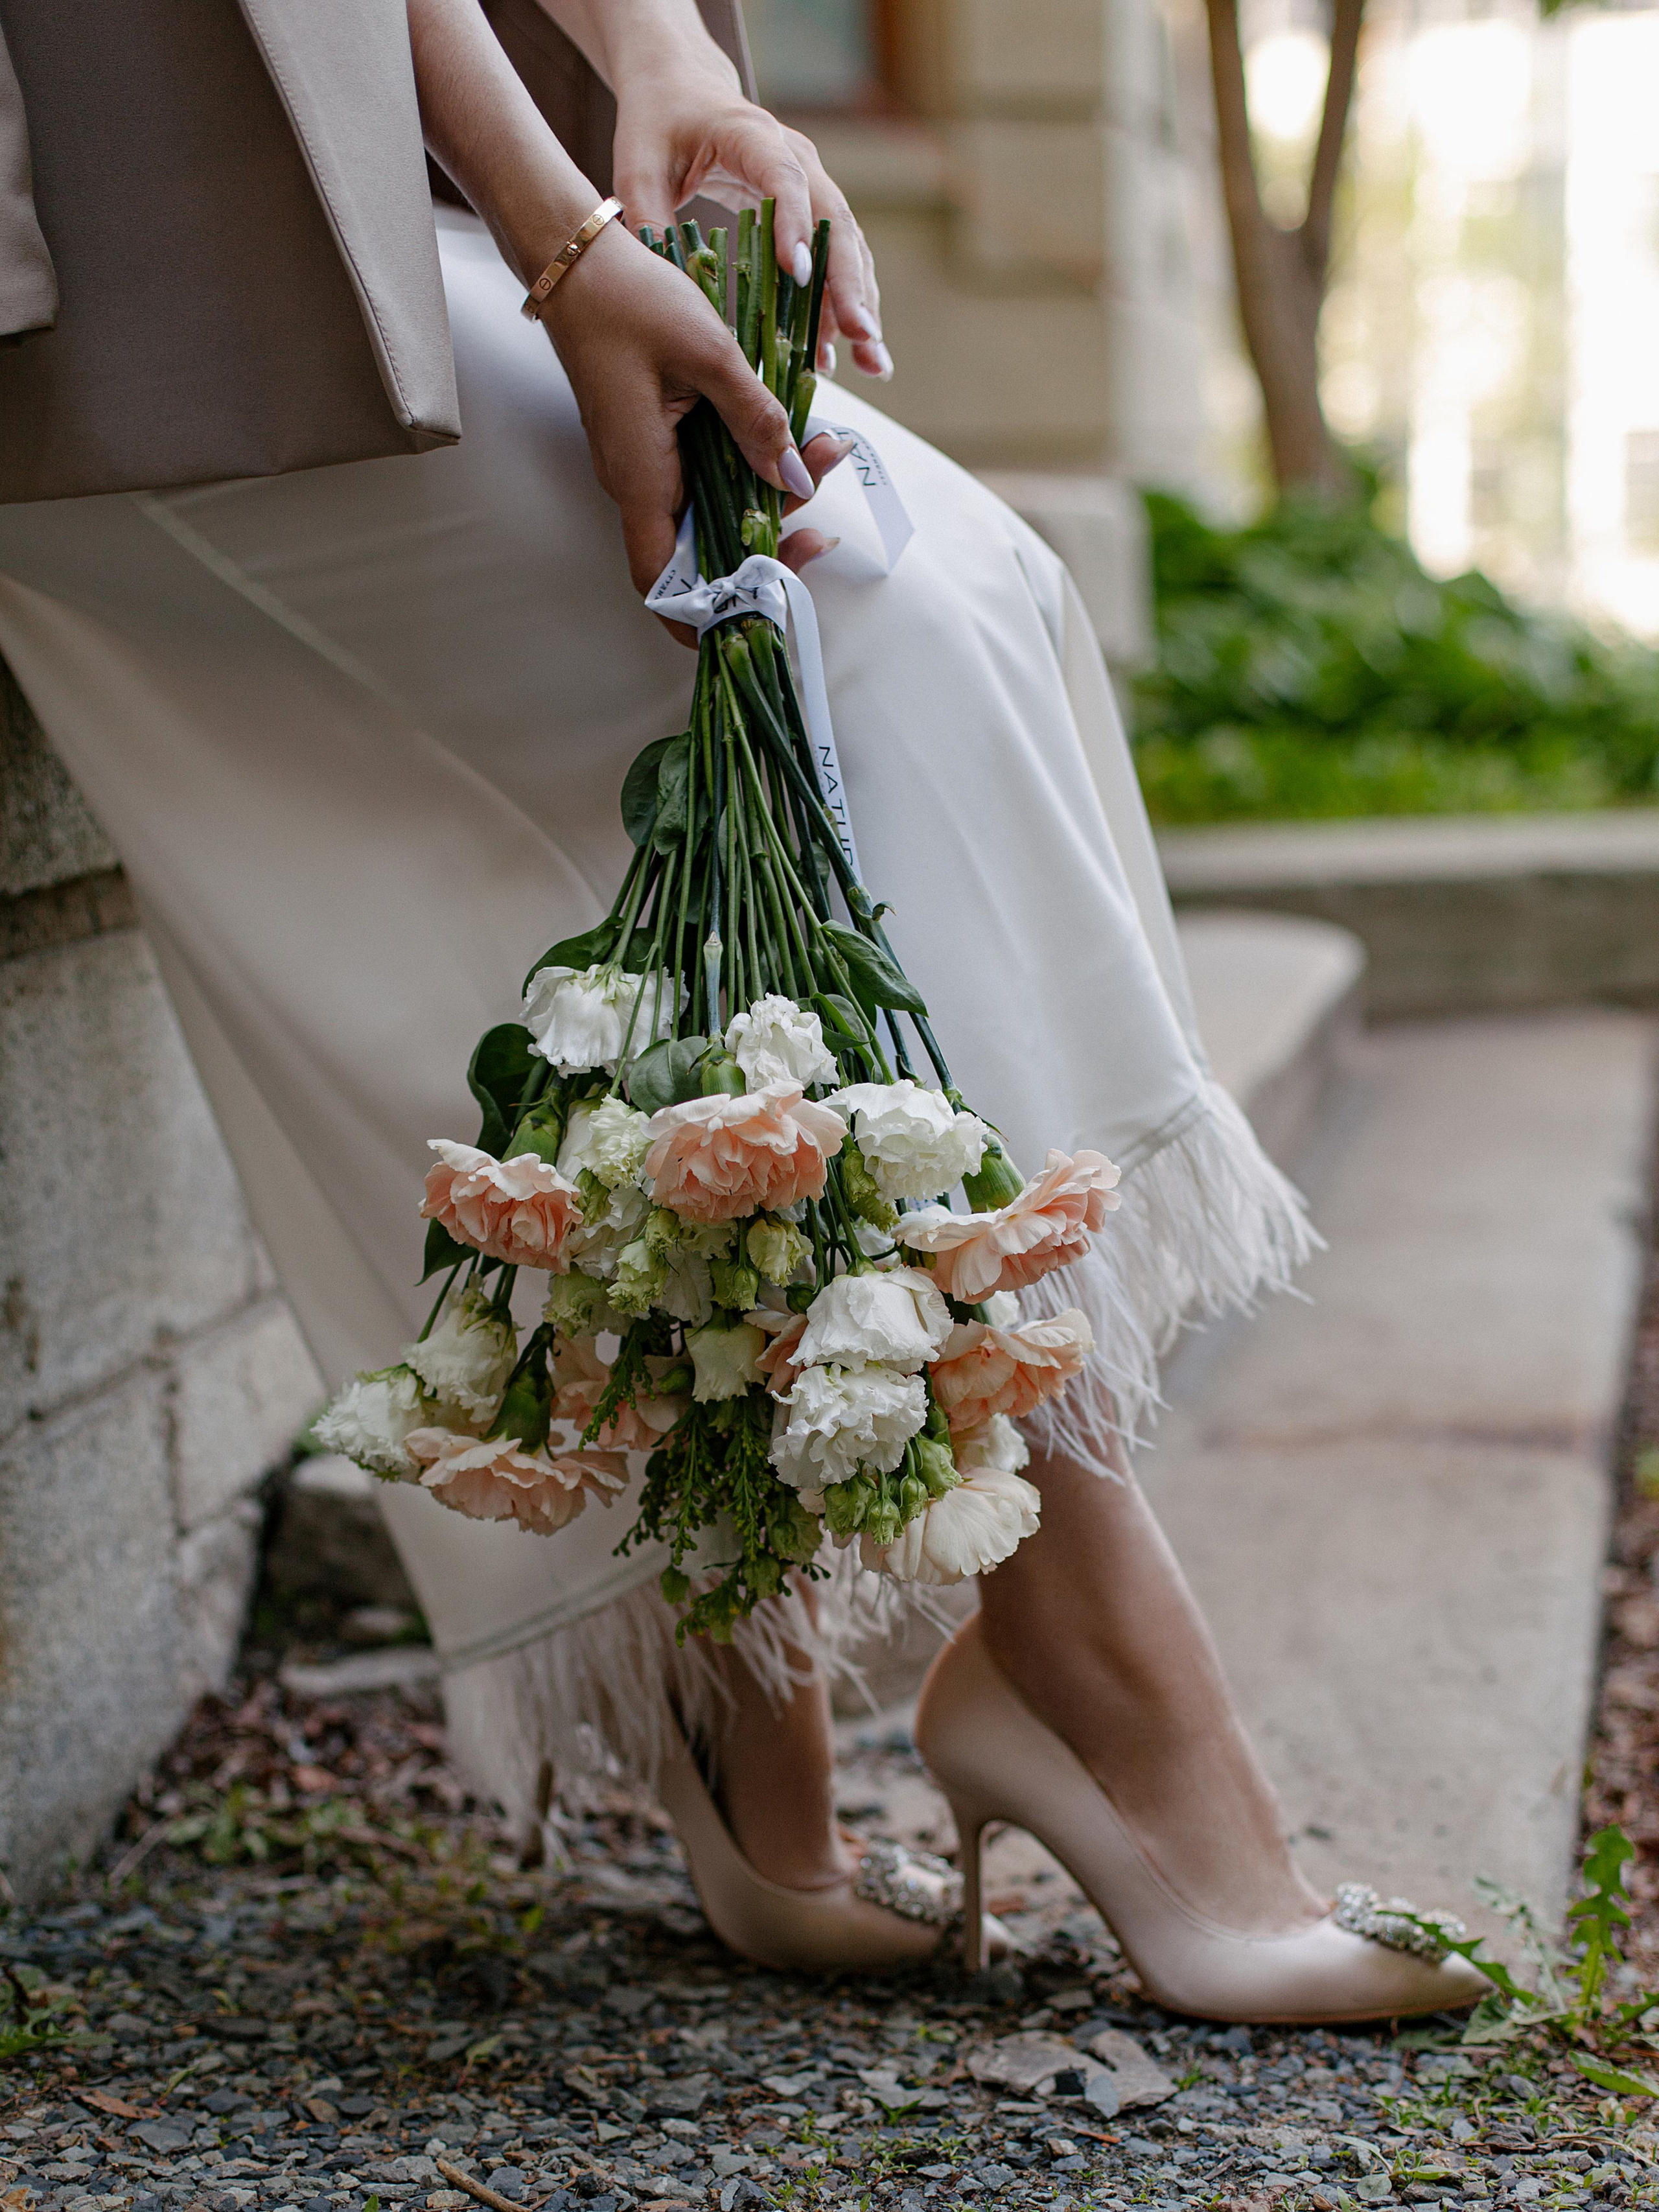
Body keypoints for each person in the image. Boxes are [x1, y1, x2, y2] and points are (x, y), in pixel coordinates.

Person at [0, 0, 1483, 2017]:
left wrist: (660, 66)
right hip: (135, 218)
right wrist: (557, 234)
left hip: (384, 138)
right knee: (840, 614)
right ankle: (1083, 1661)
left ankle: (748, 1658)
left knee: (945, 578)